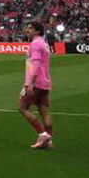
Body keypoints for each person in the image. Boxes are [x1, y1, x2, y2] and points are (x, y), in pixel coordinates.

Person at [19, 20, 55, 150]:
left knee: (22, 108)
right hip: (45, 82)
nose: (27, 30)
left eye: (30, 28)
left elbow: (35, 65)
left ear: (37, 31)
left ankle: (42, 135)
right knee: (43, 110)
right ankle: (48, 141)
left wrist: (29, 84)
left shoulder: (35, 44)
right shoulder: (43, 44)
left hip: (36, 83)